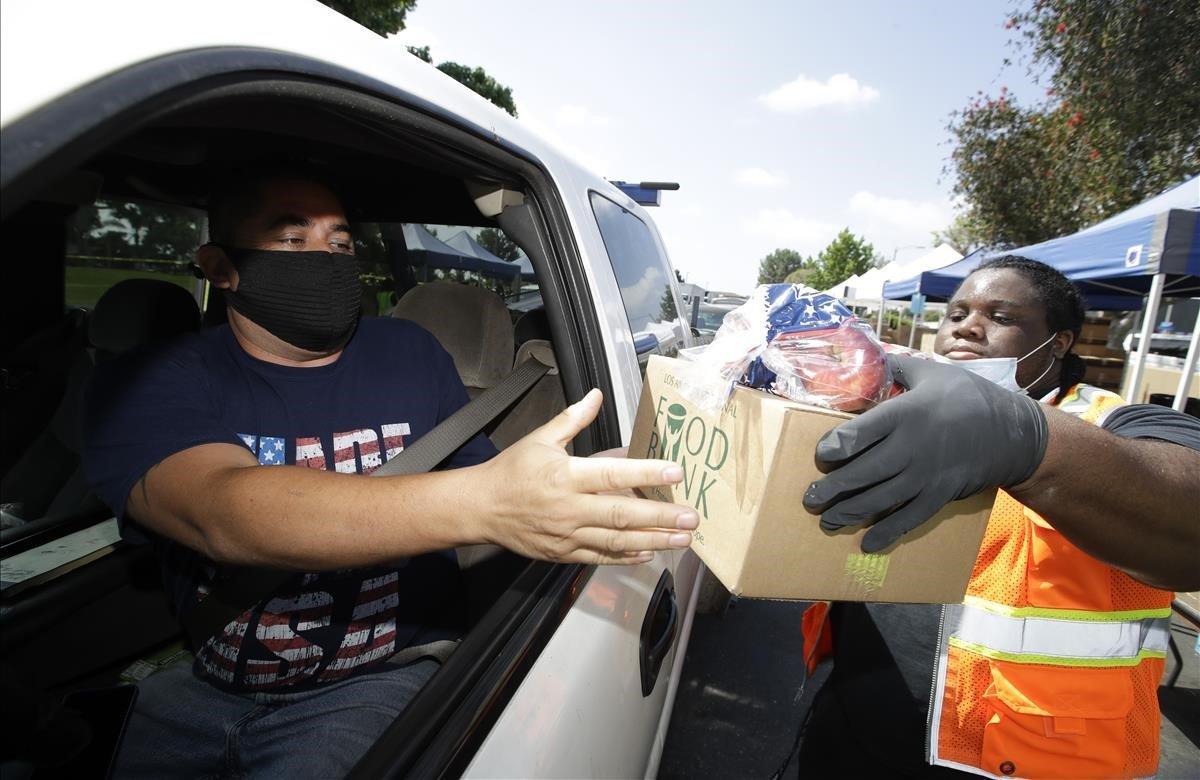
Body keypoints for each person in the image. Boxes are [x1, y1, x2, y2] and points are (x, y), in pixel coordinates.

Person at [81, 164, 698, 777]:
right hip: (200, 683)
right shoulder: (149, 381)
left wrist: (567, 484)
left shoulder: (411, 353)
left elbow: (490, 479)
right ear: (221, 267)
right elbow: (220, 508)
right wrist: (487, 503)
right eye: (292, 240)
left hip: (375, 681)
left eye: (341, 243)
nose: (325, 258)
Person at [794, 256, 1200, 779]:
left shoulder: (1117, 424)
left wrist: (1028, 444)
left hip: (1023, 760)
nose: (966, 325)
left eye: (1002, 317)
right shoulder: (896, 407)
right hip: (854, 732)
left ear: (1058, 343)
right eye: (956, 312)